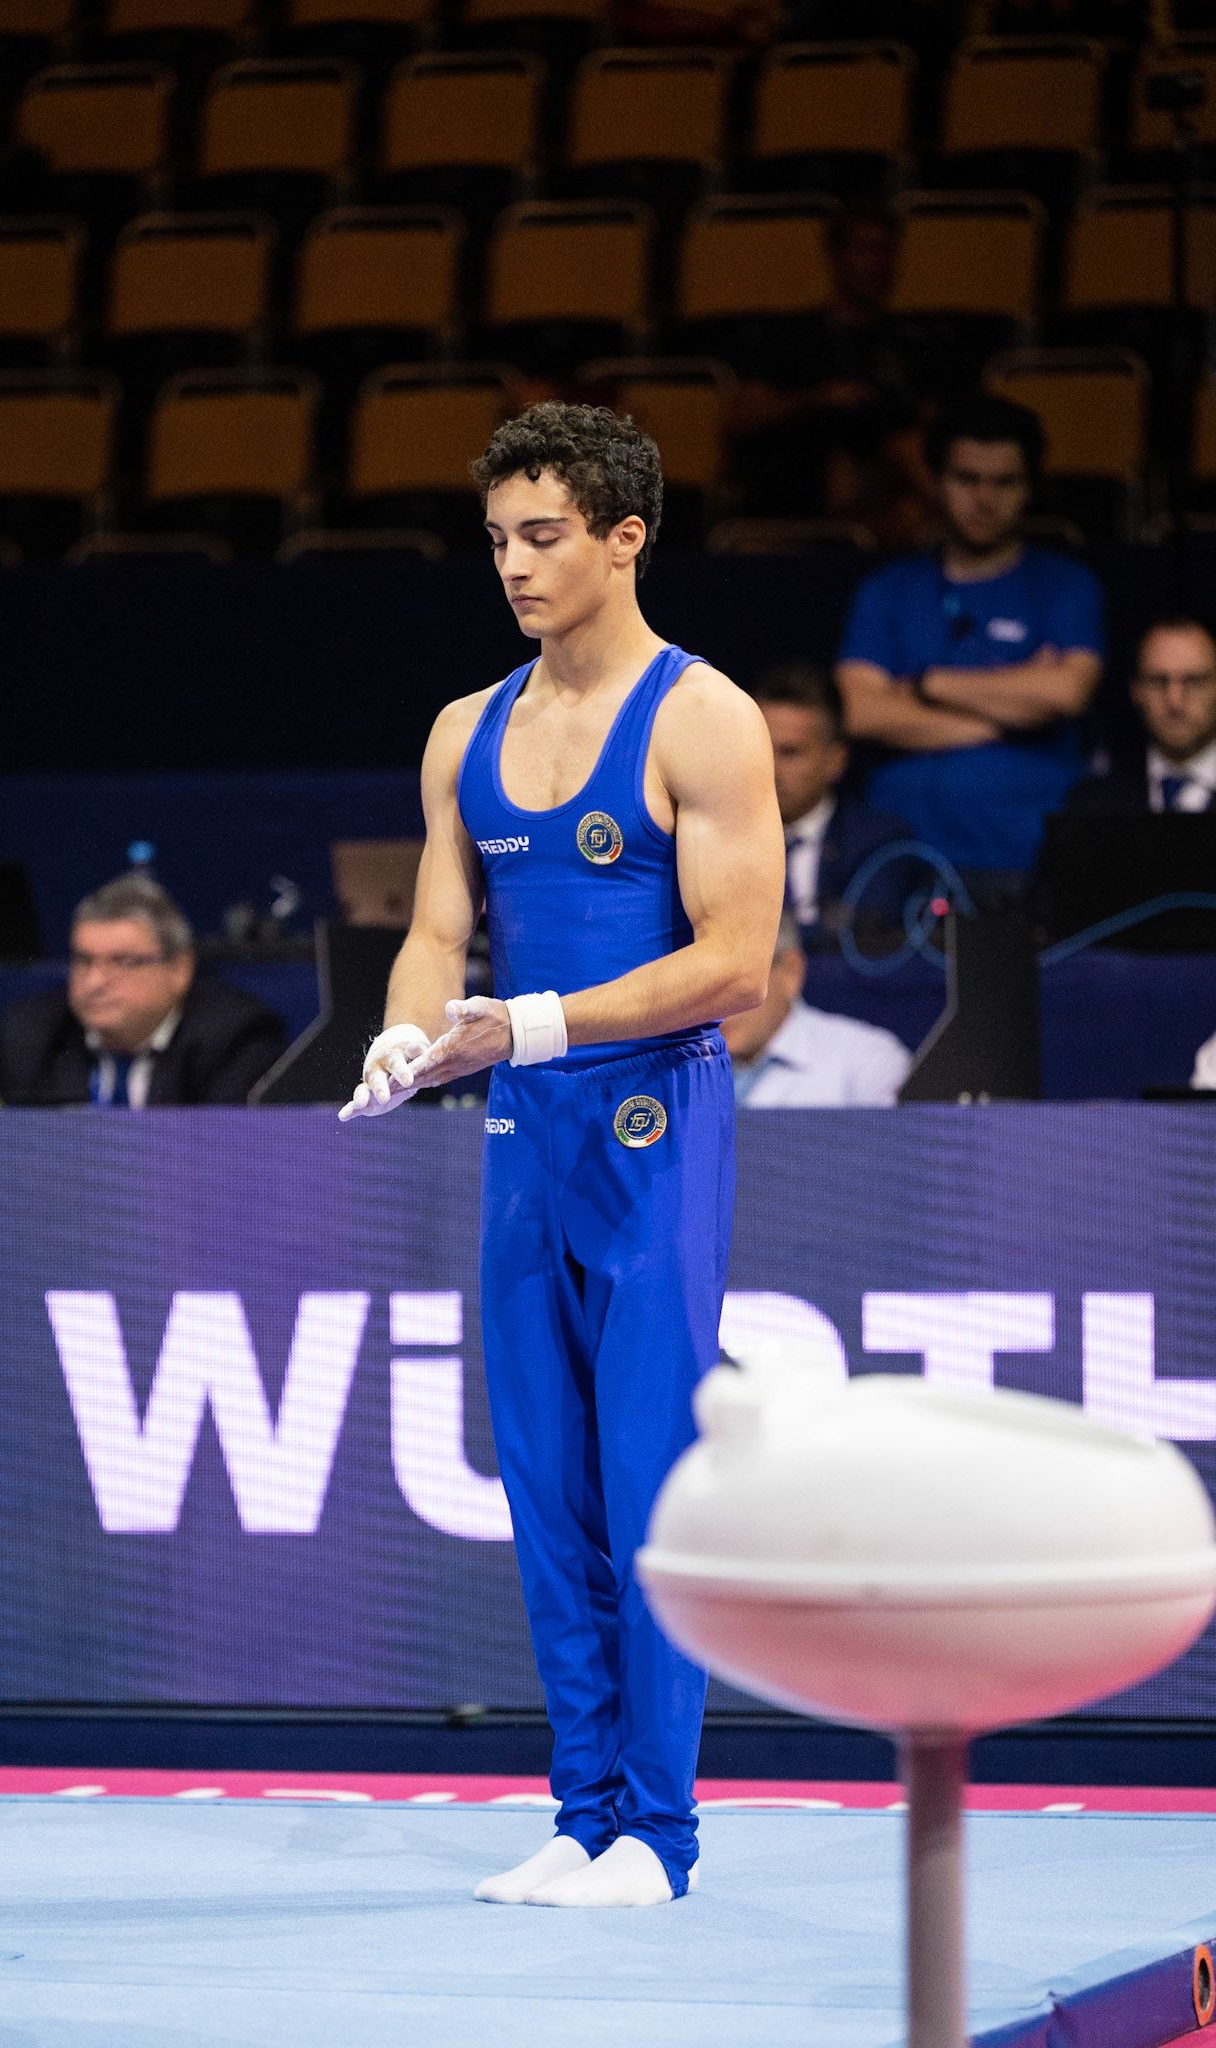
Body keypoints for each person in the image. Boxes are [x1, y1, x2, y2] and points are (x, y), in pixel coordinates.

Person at [340, 402, 784, 1908]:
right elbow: (432, 936)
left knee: (646, 1474)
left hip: (658, 1123)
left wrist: (525, 1024)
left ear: (623, 537)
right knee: (544, 1481)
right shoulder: (464, 731)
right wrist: (406, 1038)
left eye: (542, 537)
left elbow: (739, 962)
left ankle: (660, 1835)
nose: (514, 567)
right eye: (497, 541)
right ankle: (580, 1809)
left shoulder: (703, 718)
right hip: (525, 1136)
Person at [836, 392, 1105, 900]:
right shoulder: (888, 590)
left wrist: (928, 685)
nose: (985, 498)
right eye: (967, 479)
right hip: (900, 860)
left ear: (1031, 487)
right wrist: (1014, 714)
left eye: (1005, 481)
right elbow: (859, 712)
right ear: (937, 482)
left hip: (1030, 855)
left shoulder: (1066, 585)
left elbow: (1067, 693)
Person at [0, 873, 285, 1106]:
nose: (94, 982)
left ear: (180, 969)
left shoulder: (236, 1038)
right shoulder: (29, 1033)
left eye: (122, 962)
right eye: (84, 961)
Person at [727, 201, 939, 548]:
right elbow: (738, 418)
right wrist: (817, 399)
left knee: (903, 457)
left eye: (886, 251)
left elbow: (935, 417)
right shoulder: (794, 335)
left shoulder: (910, 340)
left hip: (887, 495)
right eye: (865, 249)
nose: (876, 264)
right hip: (802, 487)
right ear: (836, 256)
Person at [750, 661, 914, 947]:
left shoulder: (880, 843)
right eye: (760, 747)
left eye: (790, 752)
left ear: (836, 760)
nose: (770, 769)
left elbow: (868, 944)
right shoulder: (712, 838)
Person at [724, 912, 912, 1105]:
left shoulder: (868, 1060)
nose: (714, 1005)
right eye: (698, 984)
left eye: (731, 981)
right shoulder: (694, 1063)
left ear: (791, 970)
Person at [1066, 615, 1216, 816]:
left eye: (1195, 681)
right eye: (1157, 681)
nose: (1175, 701)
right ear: (1135, 690)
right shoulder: (1094, 803)